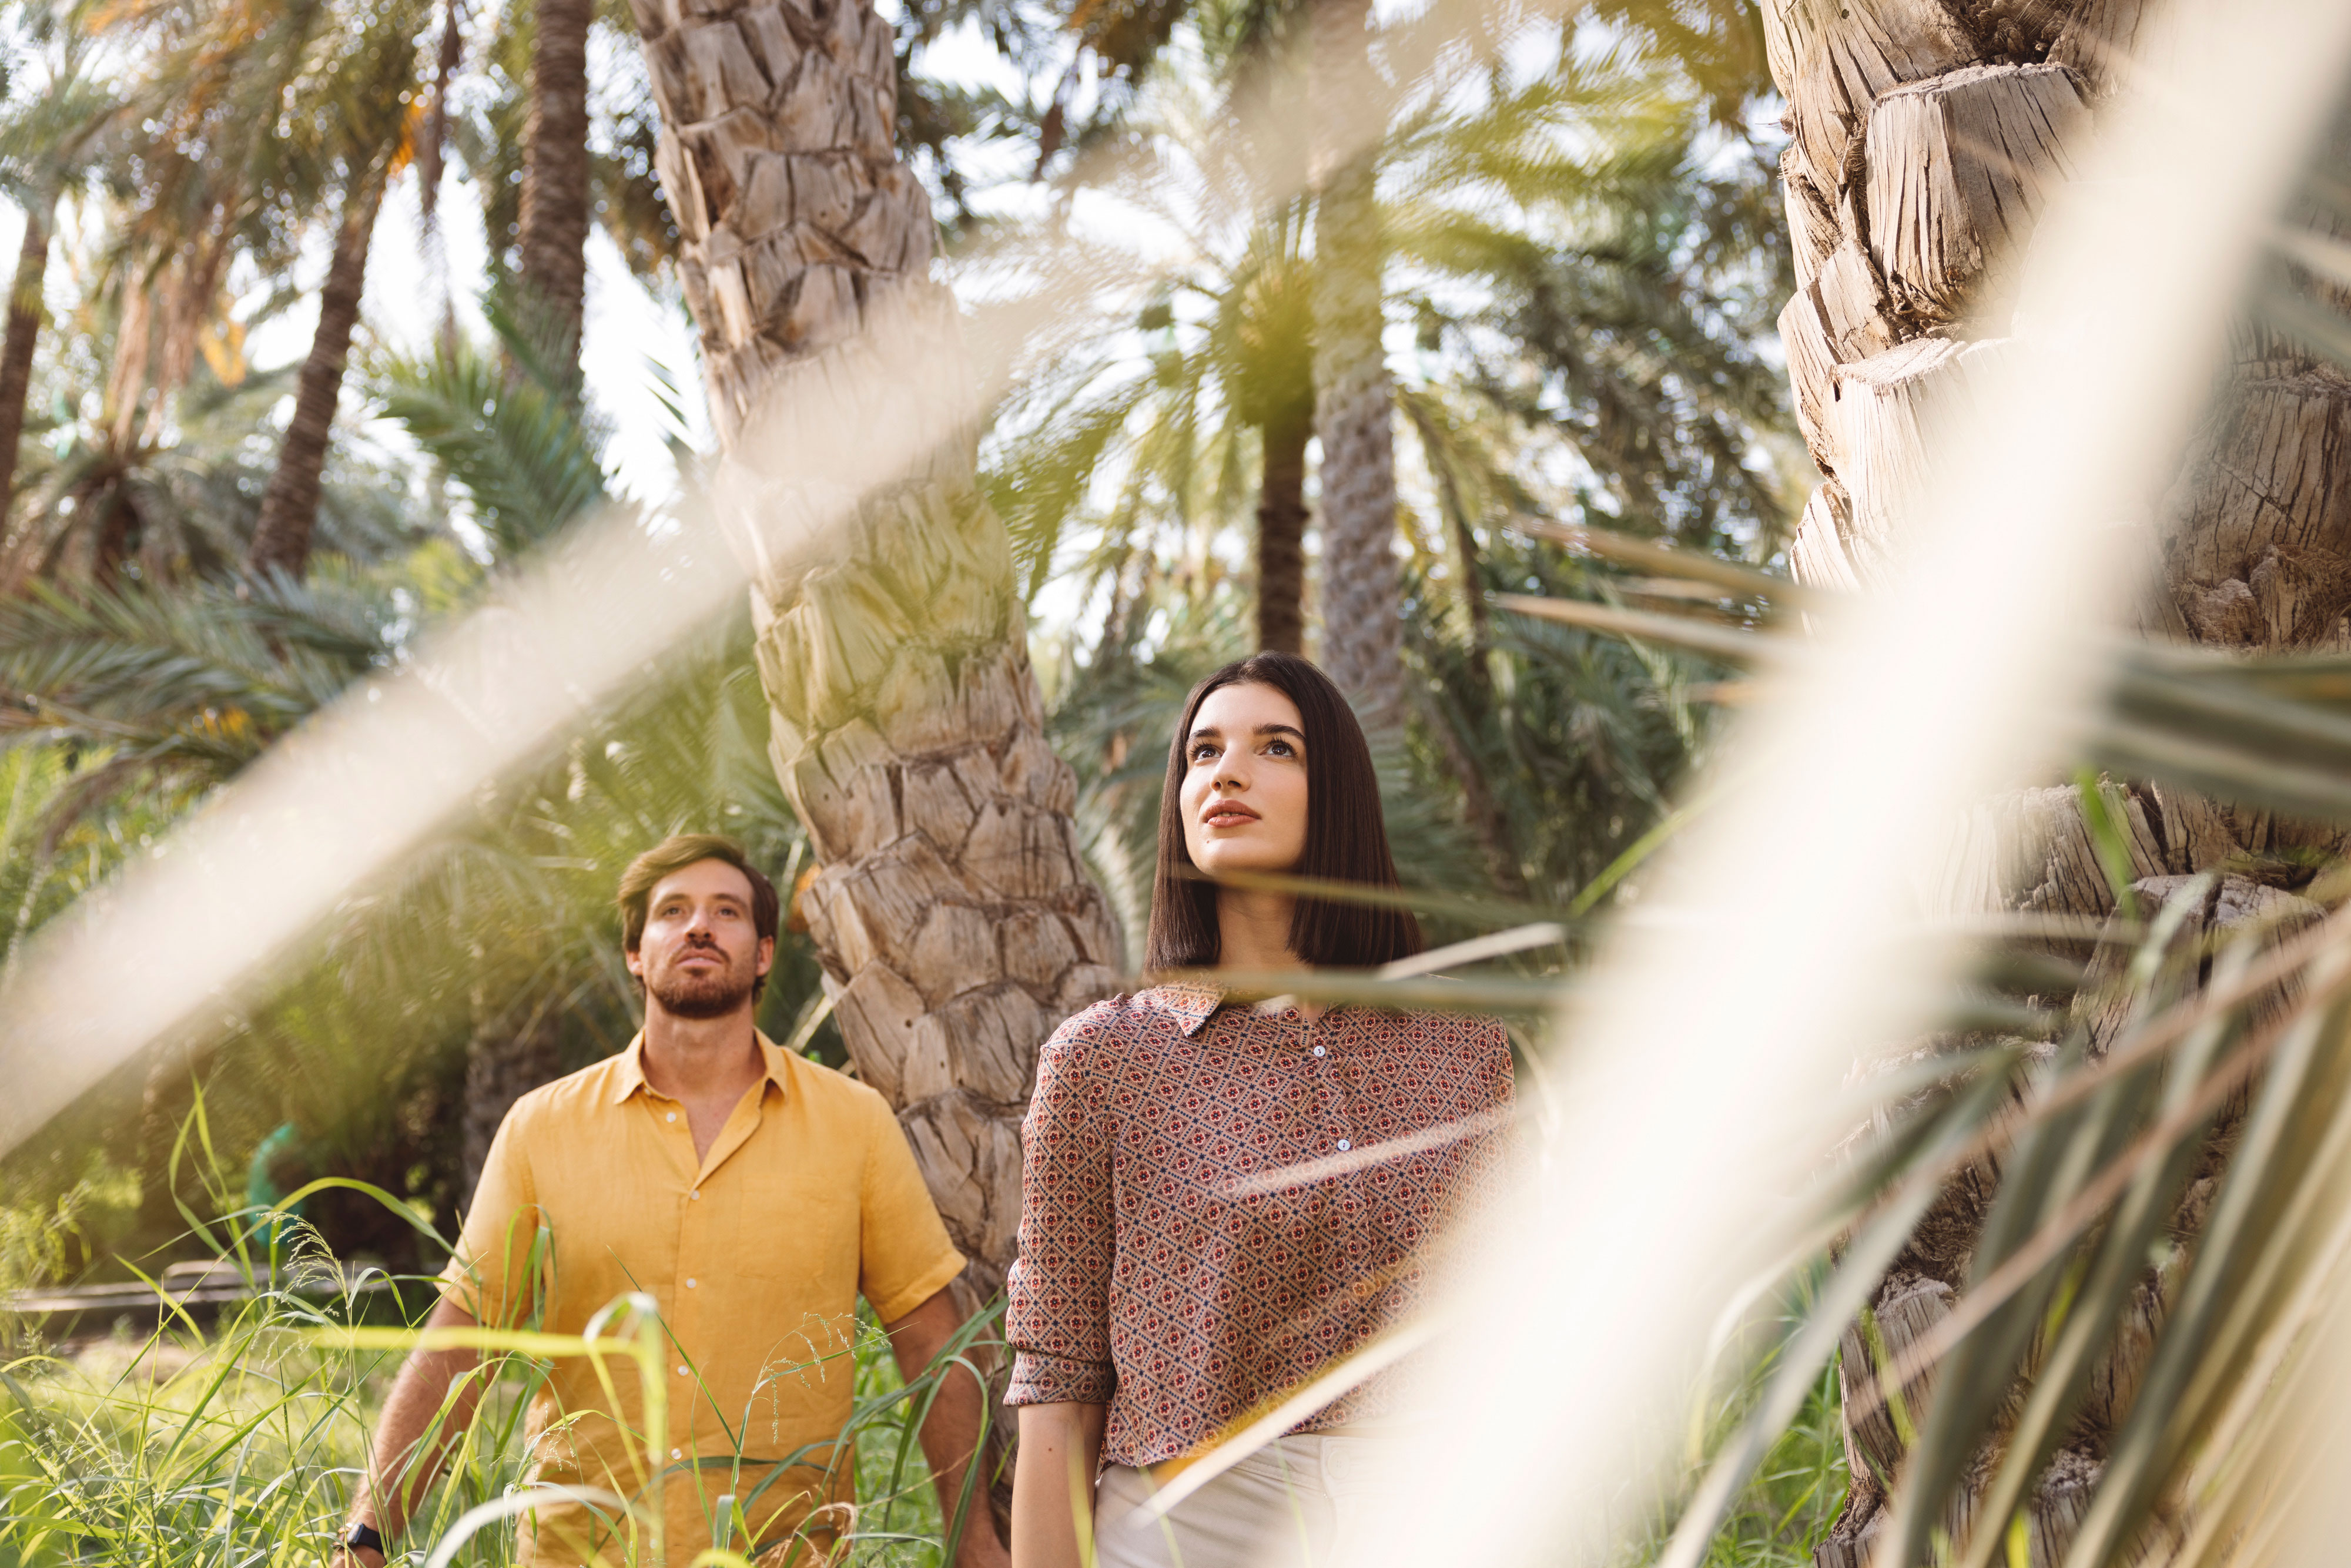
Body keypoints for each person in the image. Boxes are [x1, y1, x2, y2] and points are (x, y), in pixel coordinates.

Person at [331, 834, 1010, 1568]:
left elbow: (932, 1342)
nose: (699, 927)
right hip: (580, 1555)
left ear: (763, 954)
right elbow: (462, 1342)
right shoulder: (542, 1127)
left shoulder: (854, 1124)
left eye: (726, 911)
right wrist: (368, 1536)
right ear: (635, 952)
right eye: (673, 911)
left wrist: (974, 1542)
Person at [1004, 654, 1515, 1568]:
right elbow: (1060, 1374)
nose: (1226, 773)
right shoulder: (1103, 1060)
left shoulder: (1461, 1047)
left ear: (1341, 793)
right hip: (1191, 1530)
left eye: (1275, 747)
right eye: (1203, 753)